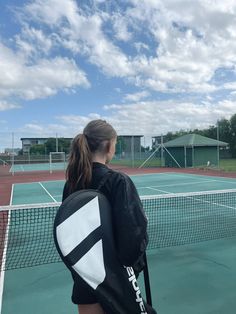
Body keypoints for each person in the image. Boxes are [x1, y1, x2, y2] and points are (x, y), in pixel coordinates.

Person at [62, 119, 150, 314]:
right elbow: (132, 240)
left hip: (84, 281)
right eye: (116, 143)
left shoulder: (72, 184)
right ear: (109, 145)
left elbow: (69, 235)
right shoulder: (118, 181)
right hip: (116, 283)